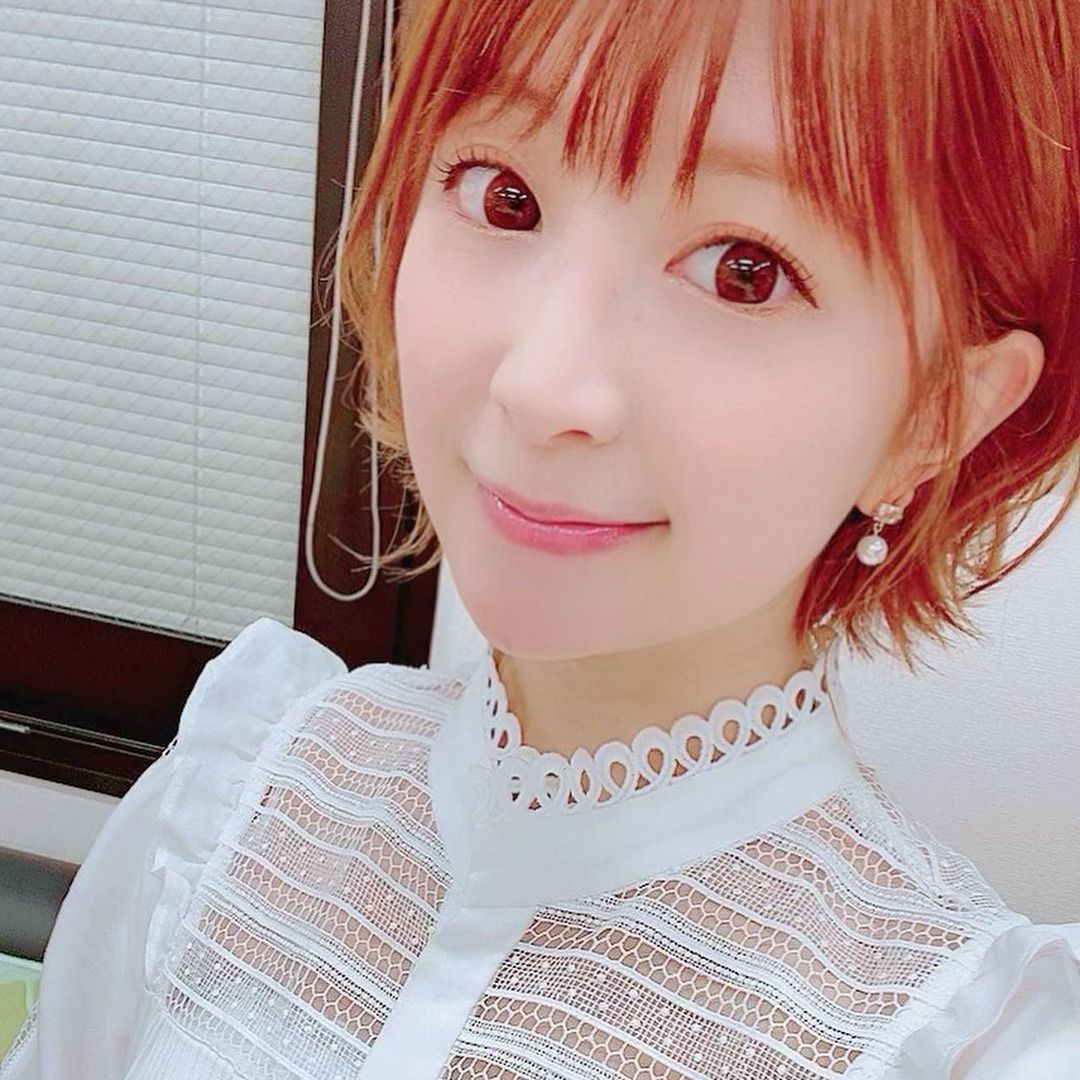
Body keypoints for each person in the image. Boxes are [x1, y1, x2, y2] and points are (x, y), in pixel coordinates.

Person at [3, 0, 1079, 1076]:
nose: (541, 384)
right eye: (502, 195)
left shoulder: (956, 1041)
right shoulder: (241, 792)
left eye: (742, 269)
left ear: (935, 417)